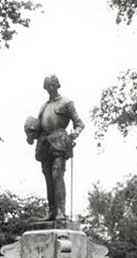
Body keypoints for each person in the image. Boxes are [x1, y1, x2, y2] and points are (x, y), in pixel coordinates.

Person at [25, 75, 85, 221]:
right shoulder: (43, 107)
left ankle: (60, 211)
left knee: (57, 175)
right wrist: (31, 135)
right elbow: (38, 128)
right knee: (48, 178)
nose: (50, 87)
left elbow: (79, 124)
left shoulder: (66, 102)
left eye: (53, 84)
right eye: (48, 85)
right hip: (44, 144)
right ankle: (51, 211)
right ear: (45, 87)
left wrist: (73, 135)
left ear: (58, 85)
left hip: (59, 142)